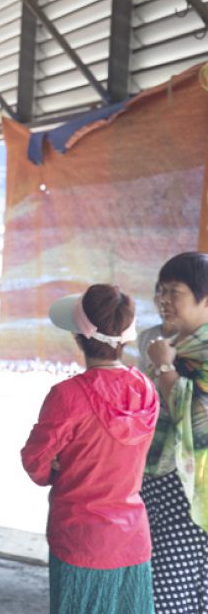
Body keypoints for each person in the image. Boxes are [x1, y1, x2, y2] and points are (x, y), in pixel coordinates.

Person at [21, 284, 157, 614]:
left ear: (78, 337)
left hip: (80, 540)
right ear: (125, 339)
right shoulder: (146, 388)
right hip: (133, 539)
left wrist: (56, 467)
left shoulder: (68, 396)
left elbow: (35, 462)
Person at [142, 252, 208, 612]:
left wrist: (164, 367)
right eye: (160, 291)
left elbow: (198, 418)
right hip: (159, 487)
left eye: (175, 291)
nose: (164, 300)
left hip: (192, 495)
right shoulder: (169, 344)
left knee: (168, 594)